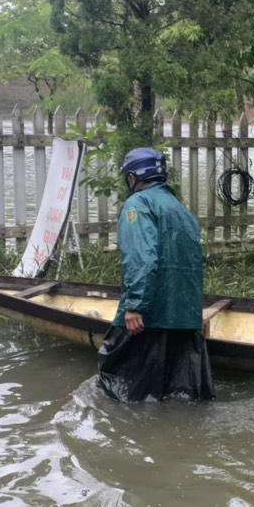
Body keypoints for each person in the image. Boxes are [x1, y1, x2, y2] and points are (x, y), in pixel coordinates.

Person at [98, 146, 214, 402]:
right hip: (185, 318)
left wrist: (135, 306)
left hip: (149, 318)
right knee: (181, 398)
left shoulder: (137, 204)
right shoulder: (181, 210)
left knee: (119, 389)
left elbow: (142, 258)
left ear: (132, 178)